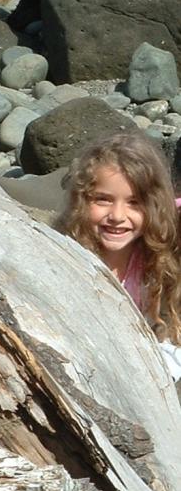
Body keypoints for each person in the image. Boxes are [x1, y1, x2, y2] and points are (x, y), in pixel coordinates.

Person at [56, 131, 181, 380]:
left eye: (134, 203)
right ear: (81, 201)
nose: (117, 215)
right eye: (102, 200)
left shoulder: (152, 257)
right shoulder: (68, 257)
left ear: (155, 207)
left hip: (150, 363)